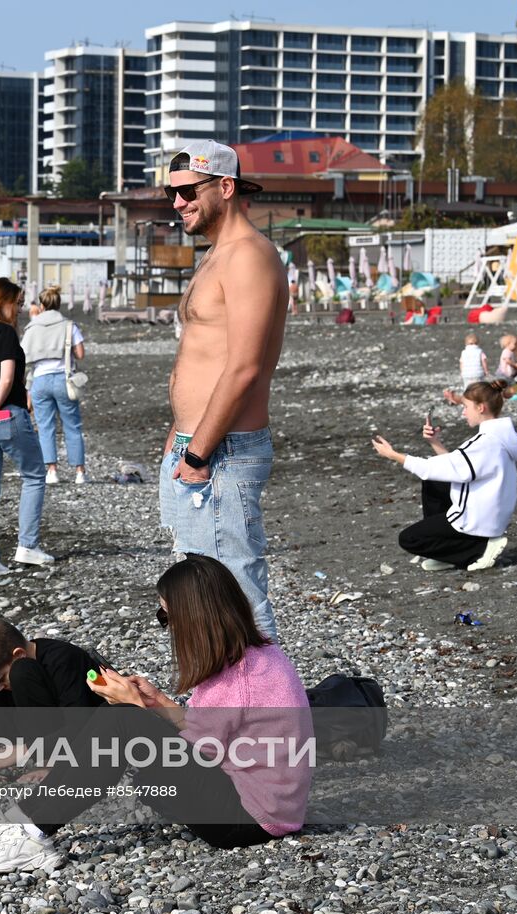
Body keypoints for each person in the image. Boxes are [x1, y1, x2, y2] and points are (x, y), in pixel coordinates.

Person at [0, 555, 311, 873]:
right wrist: (158, 703)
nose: (166, 626)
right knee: (123, 720)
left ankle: (29, 835)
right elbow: (213, 733)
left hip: (249, 818)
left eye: (164, 615)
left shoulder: (242, 678)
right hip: (250, 799)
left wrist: (138, 710)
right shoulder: (251, 659)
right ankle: (20, 822)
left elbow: (203, 751)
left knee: (122, 722)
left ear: (193, 617)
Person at [158, 140, 287, 644]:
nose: (177, 203)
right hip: (198, 446)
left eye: (188, 191)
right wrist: (178, 434)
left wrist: (199, 450)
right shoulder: (217, 256)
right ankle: (227, 714)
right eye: (172, 193)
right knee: (200, 598)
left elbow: (244, 368)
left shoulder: (249, 257)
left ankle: (276, 717)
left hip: (221, 453)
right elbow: (203, 358)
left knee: (238, 596)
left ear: (225, 187)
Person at [0, 618, 106, 854]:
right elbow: (10, 713)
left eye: (0, 679)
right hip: (52, 735)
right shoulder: (12, 669)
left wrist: (24, 752)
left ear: (18, 652)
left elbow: (81, 724)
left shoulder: (62, 659)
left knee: (21, 673)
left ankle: (49, 767)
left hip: (94, 738)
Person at [371, 381, 517, 572]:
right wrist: (434, 442)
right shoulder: (501, 438)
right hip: (490, 515)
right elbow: (454, 468)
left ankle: (477, 550)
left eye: (466, 407)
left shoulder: (484, 443)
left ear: (481, 407)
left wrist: (393, 455)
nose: (463, 412)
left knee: (409, 539)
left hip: (478, 520)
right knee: (434, 481)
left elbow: (430, 467)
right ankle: (449, 550)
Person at [0, 277, 52, 579]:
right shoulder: (4, 333)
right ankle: (27, 545)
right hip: (2, 415)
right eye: (15, 303)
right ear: (2, 301)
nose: (18, 308)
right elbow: (5, 379)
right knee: (34, 475)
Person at [21, 284, 87, 485]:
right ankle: (79, 473)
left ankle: (51, 471)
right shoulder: (69, 325)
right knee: (72, 426)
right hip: (63, 378)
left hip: (39, 380)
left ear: (41, 305)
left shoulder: (32, 327)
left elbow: (23, 355)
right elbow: (81, 354)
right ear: (59, 304)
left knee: (45, 427)